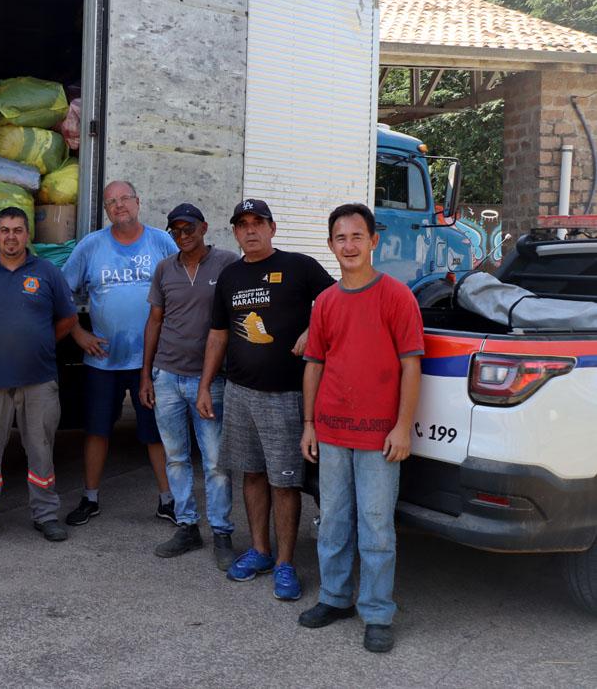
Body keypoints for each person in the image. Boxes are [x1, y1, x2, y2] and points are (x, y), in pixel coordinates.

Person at [298, 204, 422, 653]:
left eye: (356, 237)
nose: (348, 246)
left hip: (379, 438)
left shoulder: (396, 297)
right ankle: (334, 598)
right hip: (331, 432)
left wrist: (403, 427)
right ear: (330, 245)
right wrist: (309, 424)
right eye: (340, 238)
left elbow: (412, 367)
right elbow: (313, 366)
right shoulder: (326, 302)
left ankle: (377, 611)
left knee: (376, 527)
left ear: (373, 241)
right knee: (332, 521)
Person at [196, 198, 334, 600]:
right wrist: (206, 385)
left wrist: (314, 330)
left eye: (258, 223)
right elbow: (219, 334)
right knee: (251, 474)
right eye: (243, 224)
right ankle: (259, 550)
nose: (251, 230)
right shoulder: (230, 276)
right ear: (235, 233)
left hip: (286, 396)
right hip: (239, 393)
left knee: (285, 482)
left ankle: (286, 563)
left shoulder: (299, 266)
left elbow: (336, 299)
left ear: (272, 228)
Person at [0, 207, 78, 545]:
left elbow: (68, 319)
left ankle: (46, 515)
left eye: (18, 230)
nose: (11, 236)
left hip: (38, 379)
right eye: (5, 230)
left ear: (28, 235)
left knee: (41, 449)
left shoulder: (48, 272)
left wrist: (39, 342)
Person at [62, 180, 178, 527]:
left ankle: (167, 500)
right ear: (107, 210)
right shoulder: (91, 246)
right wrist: (78, 333)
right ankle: (90, 498)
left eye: (124, 198)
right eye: (111, 202)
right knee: (97, 430)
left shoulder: (161, 241)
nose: (118, 205)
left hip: (151, 360)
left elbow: (181, 290)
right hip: (103, 360)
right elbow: (60, 293)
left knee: (156, 432)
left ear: (137, 202)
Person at [138, 203, 240, 566]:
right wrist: (145, 373)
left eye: (189, 229)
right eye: (176, 231)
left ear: (204, 227)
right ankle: (186, 526)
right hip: (166, 376)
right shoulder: (165, 268)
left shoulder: (227, 263)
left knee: (215, 462)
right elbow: (154, 321)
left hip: (208, 379)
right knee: (176, 458)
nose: (183, 236)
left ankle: (222, 532)